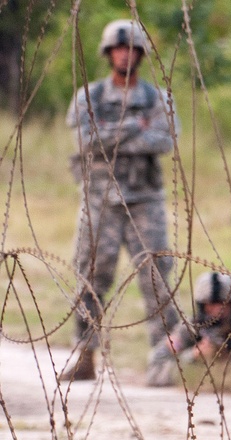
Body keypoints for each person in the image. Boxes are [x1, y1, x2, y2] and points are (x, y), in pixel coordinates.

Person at [60, 18, 180, 382]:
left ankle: (163, 358)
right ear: (108, 53)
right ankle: (84, 355)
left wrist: (110, 134)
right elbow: (86, 141)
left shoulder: (157, 98)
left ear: (141, 54)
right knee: (91, 278)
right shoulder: (89, 96)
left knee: (156, 278)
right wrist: (133, 128)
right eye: (118, 48)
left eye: (131, 49)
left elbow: (163, 141)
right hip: (99, 200)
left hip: (144, 200)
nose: (125, 55)